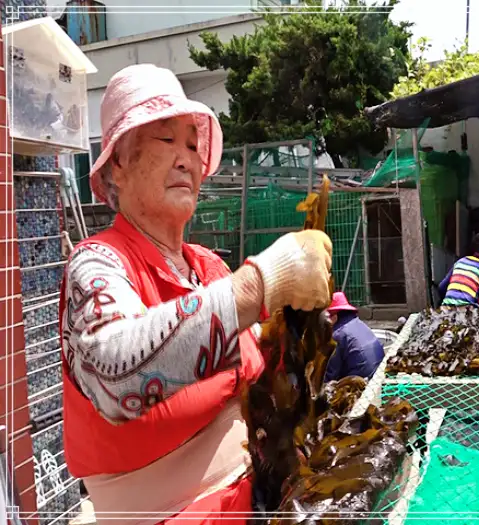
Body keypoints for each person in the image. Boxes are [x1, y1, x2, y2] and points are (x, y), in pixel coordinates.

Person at [58, 64, 333, 525]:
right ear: (117, 166)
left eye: (193, 144)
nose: (187, 158)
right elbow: (116, 375)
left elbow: (263, 378)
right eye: (167, 140)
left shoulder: (207, 266)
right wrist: (264, 281)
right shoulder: (97, 264)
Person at [323, 292, 385, 383]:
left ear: (334, 317)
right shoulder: (358, 323)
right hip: (377, 378)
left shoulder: (336, 336)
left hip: (360, 386)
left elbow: (329, 376)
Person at [438, 233, 479, 307]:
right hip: (466, 313)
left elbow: (441, 287)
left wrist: (452, 298)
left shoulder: (460, 262)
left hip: (446, 310)